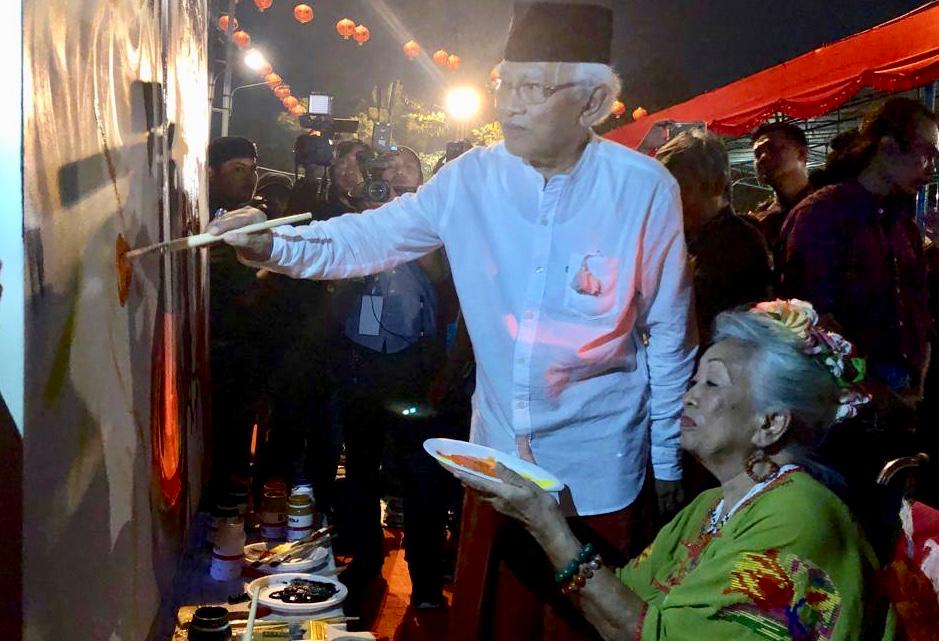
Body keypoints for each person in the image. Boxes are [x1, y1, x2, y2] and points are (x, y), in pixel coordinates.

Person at [207, 2, 695, 637]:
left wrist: (667, 463)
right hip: (497, 465)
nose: (509, 105)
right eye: (504, 84)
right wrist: (270, 245)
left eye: (533, 88)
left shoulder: (644, 188)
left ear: (594, 100)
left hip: (599, 471)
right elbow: (366, 238)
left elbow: (669, 334)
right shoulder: (472, 179)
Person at [452, 300, 893, 641]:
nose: (689, 396)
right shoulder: (713, 505)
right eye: (695, 379)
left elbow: (647, 633)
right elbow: (625, 595)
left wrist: (549, 525)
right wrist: (542, 515)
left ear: (771, 423)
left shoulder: (798, 516)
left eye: (712, 383)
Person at [327, 146, 452, 609]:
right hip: (360, 360)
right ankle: (364, 561)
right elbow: (334, 276)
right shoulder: (362, 212)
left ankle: (425, 583)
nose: (394, 171)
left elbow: (440, 275)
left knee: (421, 475)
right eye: (387, 167)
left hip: (413, 364)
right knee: (359, 468)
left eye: (405, 164)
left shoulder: (429, 217)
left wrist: (402, 224)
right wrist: (367, 219)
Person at [780, 97, 936, 403]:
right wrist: (875, 393)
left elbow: (919, 309)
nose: (931, 169)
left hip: (904, 396)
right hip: (844, 402)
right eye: (927, 154)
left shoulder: (903, 225)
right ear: (889, 146)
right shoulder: (822, 215)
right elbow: (812, 322)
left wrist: (916, 384)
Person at [656, 129, 772, 342]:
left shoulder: (737, 242)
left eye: (681, 189)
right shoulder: (688, 238)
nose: (670, 202)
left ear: (718, 183)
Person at [206, 136, 264, 497]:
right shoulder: (200, 215)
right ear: (211, 175)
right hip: (210, 346)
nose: (248, 178)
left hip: (244, 349)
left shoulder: (258, 219)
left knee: (238, 435)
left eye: (252, 170)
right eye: (237, 170)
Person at [745, 122, 813, 264]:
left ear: (802, 153)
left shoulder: (828, 206)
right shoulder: (761, 221)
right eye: (757, 154)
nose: (762, 158)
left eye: (772, 148)